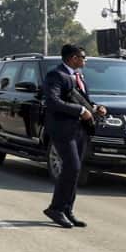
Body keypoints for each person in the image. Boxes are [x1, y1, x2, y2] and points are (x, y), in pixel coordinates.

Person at [42, 44, 101, 229]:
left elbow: (82, 99)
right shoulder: (56, 75)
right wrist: (80, 110)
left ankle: (67, 209)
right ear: (73, 58)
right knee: (71, 167)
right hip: (62, 129)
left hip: (79, 130)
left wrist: (95, 108)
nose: (85, 60)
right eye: (83, 57)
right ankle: (55, 208)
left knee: (75, 170)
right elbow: (53, 101)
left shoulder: (78, 76)